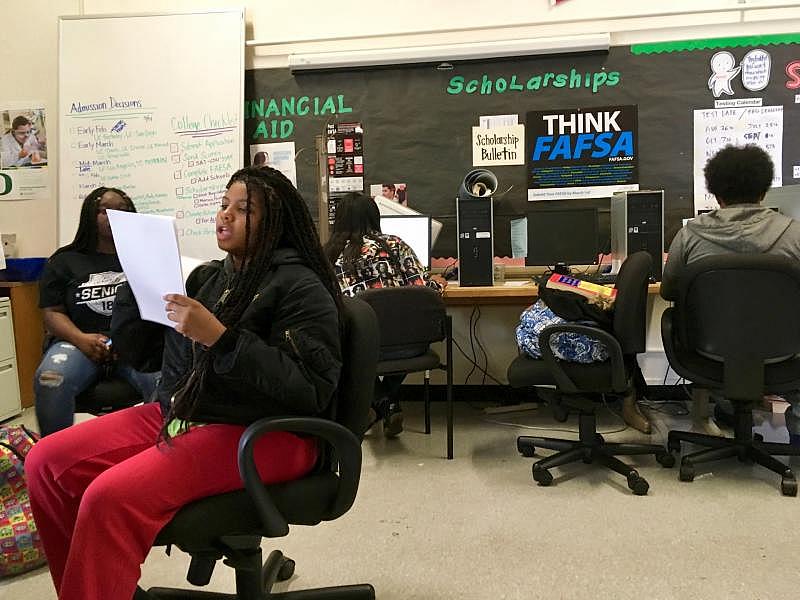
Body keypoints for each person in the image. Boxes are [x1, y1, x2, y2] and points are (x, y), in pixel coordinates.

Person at [25, 166, 343, 600]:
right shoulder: (212, 278)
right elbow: (148, 357)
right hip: (190, 412)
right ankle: (93, 589)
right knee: (45, 462)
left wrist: (221, 339)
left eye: (243, 209)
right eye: (223, 204)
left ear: (275, 224)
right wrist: (136, 290)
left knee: (108, 498)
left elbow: (310, 390)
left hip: (269, 431)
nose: (225, 216)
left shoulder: (301, 288)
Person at [662, 144, 800, 443]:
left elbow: (669, 290)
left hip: (707, 354)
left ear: (716, 194)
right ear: (764, 191)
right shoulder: (794, 234)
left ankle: (706, 416)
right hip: (783, 355)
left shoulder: (690, 235)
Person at [34, 187, 159, 436]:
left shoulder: (145, 257)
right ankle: (54, 457)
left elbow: (158, 305)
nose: (115, 215)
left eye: (123, 210)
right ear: (90, 215)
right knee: (50, 379)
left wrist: (129, 340)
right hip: (77, 341)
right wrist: (81, 339)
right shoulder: (64, 261)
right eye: (106, 210)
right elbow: (52, 313)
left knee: (164, 380)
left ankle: (154, 451)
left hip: (133, 343)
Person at [323, 192, 445, 437]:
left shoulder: (327, 256)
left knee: (350, 345)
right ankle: (387, 404)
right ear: (375, 217)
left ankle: (381, 405)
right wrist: (439, 283)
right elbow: (423, 290)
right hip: (409, 347)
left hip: (357, 349)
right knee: (396, 330)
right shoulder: (395, 245)